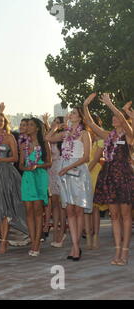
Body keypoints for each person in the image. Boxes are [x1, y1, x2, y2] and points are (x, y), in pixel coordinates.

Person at [83, 93, 133, 266]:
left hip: (124, 175)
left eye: (115, 117)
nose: (113, 119)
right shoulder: (108, 136)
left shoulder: (128, 134)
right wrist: (85, 106)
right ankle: (117, 250)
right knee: (114, 216)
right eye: (112, 117)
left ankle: (125, 251)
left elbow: (122, 118)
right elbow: (90, 124)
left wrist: (110, 104)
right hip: (110, 176)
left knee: (126, 216)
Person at [46, 106, 92, 262]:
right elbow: (48, 138)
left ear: (80, 117)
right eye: (70, 113)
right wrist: (57, 127)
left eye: (73, 113)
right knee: (70, 210)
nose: (70, 114)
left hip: (78, 172)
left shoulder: (85, 134)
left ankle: (76, 246)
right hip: (64, 173)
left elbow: (86, 157)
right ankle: (74, 244)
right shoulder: (65, 134)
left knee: (78, 210)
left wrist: (68, 167)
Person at [0, 110, 27, 254]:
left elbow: (15, 158)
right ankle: (1, 239)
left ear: (5, 123)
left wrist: (0, 159)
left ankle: (3, 242)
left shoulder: (9, 138)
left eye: (1, 121)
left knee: (6, 208)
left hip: (7, 174)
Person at [20, 118, 52, 256]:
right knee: (28, 211)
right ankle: (33, 240)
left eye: (31, 125)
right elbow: (20, 164)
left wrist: (37, 165)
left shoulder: (44, 143)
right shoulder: (23, 145)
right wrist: (26, 168)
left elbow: (49, 163)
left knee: (38, 210)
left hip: (40, 176)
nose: (28, 127)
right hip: (27, 177)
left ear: (37, 128)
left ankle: (37, 243)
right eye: (27, 125)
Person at [86, 114, 107, 249]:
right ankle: (88, 235)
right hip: (84, 171)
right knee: (86, 208)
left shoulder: (101, 140)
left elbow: (95, 159)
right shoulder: (84, 138)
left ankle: (96, 236)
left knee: (94, 208)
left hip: (94, 173)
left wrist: (85, 172)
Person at [48, 117, 67, 248]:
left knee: (62, 203)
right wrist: (52, 128)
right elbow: (46, 138)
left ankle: (62, 231)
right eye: (53, 121)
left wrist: (56, 128)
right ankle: (55, 231)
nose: (55, 123)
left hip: (61, 167)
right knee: (54, 202)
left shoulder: (63, 136)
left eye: (57, 122)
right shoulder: (51, 136)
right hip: (51, 170)